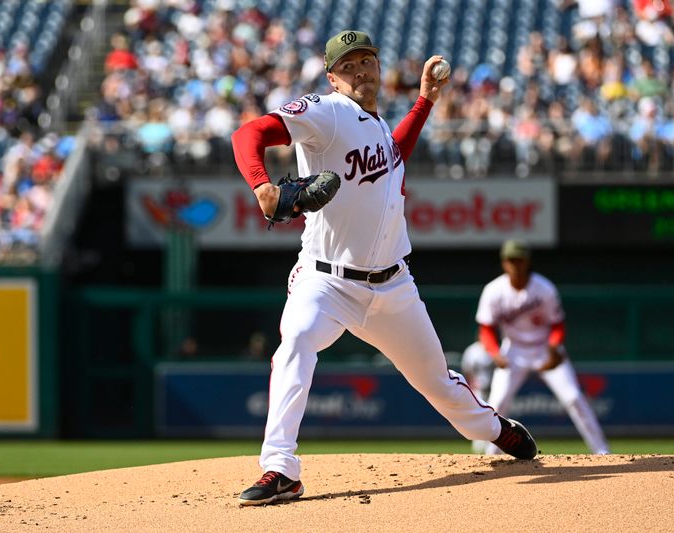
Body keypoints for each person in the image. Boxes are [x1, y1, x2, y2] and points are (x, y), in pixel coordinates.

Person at [231, 30, 538, 507]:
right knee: (296, 344)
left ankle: (495, 428)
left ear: (377, 67)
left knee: (437, 383)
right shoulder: (326, 111)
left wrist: (425, 102)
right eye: (348, 65)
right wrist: (262, 186)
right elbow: (247, 133)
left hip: (394, 286)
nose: (359, 70)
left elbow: (392, 157)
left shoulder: (374, 123)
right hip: (326, 280)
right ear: (332, 77)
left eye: (366, 61)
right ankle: (280, 468)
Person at [475, 239, 610, 456]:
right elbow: (486, 328)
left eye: (520, 259)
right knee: (497, 402)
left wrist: (555, 347)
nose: (516, 264)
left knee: (574, 398)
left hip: (543, 347)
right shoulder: (494, 290)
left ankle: (602, 451)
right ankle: (492, 455)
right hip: (514, 350)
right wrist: (494, 352)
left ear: (528, 262)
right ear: (504, 263)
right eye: (511, 260)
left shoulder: (544, 288)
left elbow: (557, 324)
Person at [460, 341, 495, 454]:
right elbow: (466, 369)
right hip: (478, 387)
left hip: (494, 387)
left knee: (496, 414)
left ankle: (493, 446)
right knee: (477, 415)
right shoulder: (472, 350)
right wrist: (470, 384)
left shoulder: (495, 348)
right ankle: (478, 445)